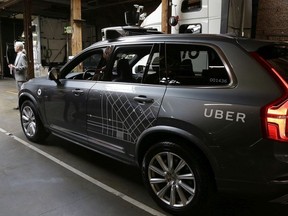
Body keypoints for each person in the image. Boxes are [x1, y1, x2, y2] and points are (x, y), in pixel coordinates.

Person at [8, 41, 28, 110]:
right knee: (19, 92)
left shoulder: (22, 56)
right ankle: (20, 105)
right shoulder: (18, 55)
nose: (14, 48)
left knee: (22, 93)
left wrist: (15, 67)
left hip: (21, 78)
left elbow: (25, 66)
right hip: (18, 77)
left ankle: (22, 105)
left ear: (18, 47)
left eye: (15, 46)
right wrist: (13, 66)